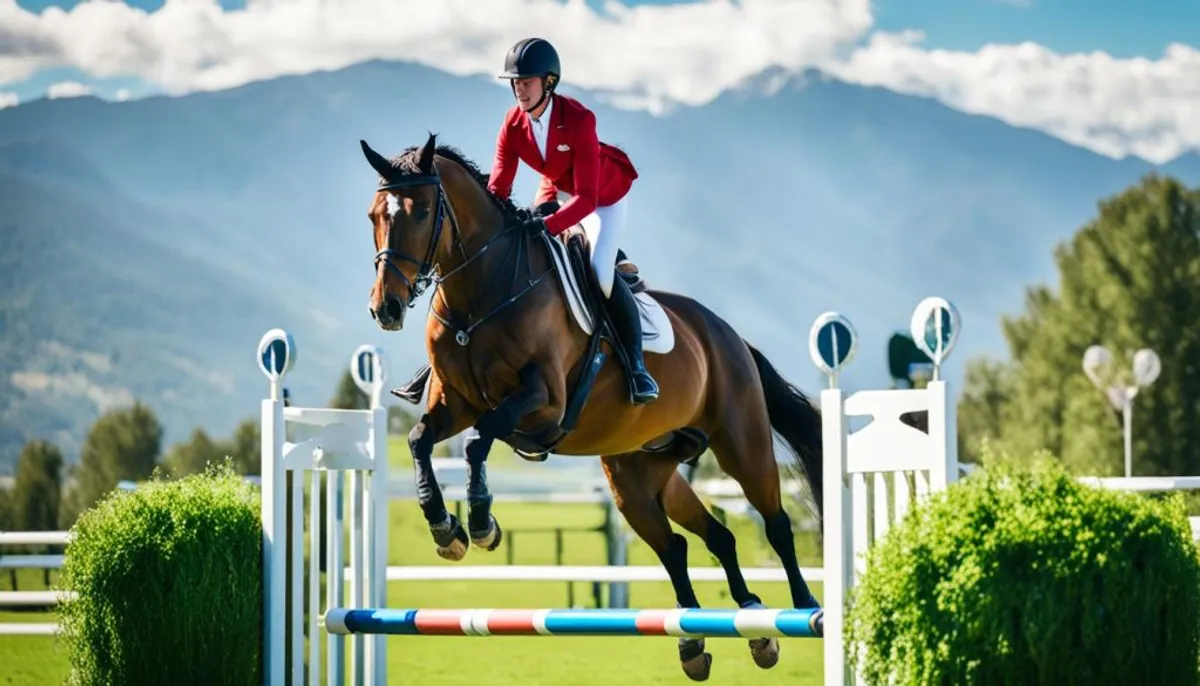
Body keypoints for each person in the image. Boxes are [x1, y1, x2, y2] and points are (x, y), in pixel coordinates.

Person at [487, 37, 659, 406]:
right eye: (515, 82)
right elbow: (498, 185)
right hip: (557, 187)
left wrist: (546, 226)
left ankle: (636, 365)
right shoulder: (513, 123)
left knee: (599, 273)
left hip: (602, 197)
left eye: (527, 80)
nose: (519, 88)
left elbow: (587, 199)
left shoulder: (579, 119)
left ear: (549, 82)